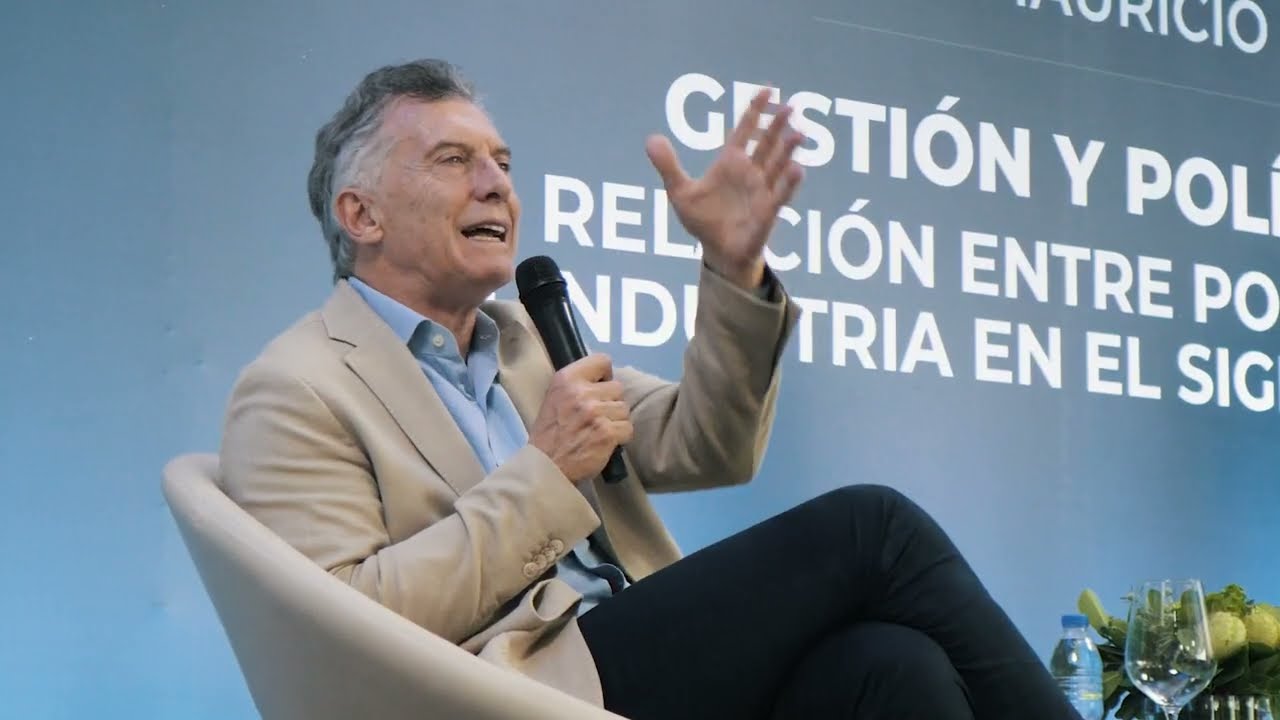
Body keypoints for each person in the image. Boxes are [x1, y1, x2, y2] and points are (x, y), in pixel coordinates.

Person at [219, 58, 1082, 720]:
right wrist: (546, 471)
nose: (496, 184)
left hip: (640, 663)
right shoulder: (299, 385)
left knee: (893, 667)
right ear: (361, 214)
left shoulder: (522, 340)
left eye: (502, 162)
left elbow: (711, 444)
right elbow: (341, 628)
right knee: (873, 528)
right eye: (454, 160)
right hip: (511, 691)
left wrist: (733, 270)